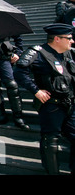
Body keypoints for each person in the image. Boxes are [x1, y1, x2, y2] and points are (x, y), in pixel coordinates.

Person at [14, 23, 75, 175]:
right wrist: (35, 90)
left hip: (70, 103)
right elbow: (19, 72)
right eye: (69, 38)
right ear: (57, 39)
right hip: (51, 105)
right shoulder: (38, 53)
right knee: (50, 141)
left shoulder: (69, 53)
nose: (72, 41)